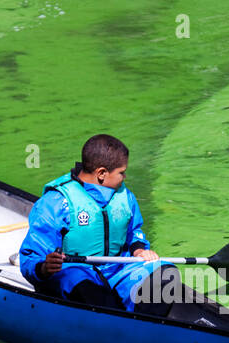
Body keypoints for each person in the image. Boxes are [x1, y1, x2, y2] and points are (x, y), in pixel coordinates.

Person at [18, 134, 178, 314]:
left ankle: (149, 326)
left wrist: (139, 250)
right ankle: (115, 324)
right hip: (77, 273)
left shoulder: (125, 197)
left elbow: (133, 232)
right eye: (121, 172)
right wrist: (45, 268)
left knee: (166, 273)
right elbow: (31, 256)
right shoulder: (56, 202)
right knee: (85, 286)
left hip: (118, 270)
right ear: (102, 173)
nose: (124, 177)